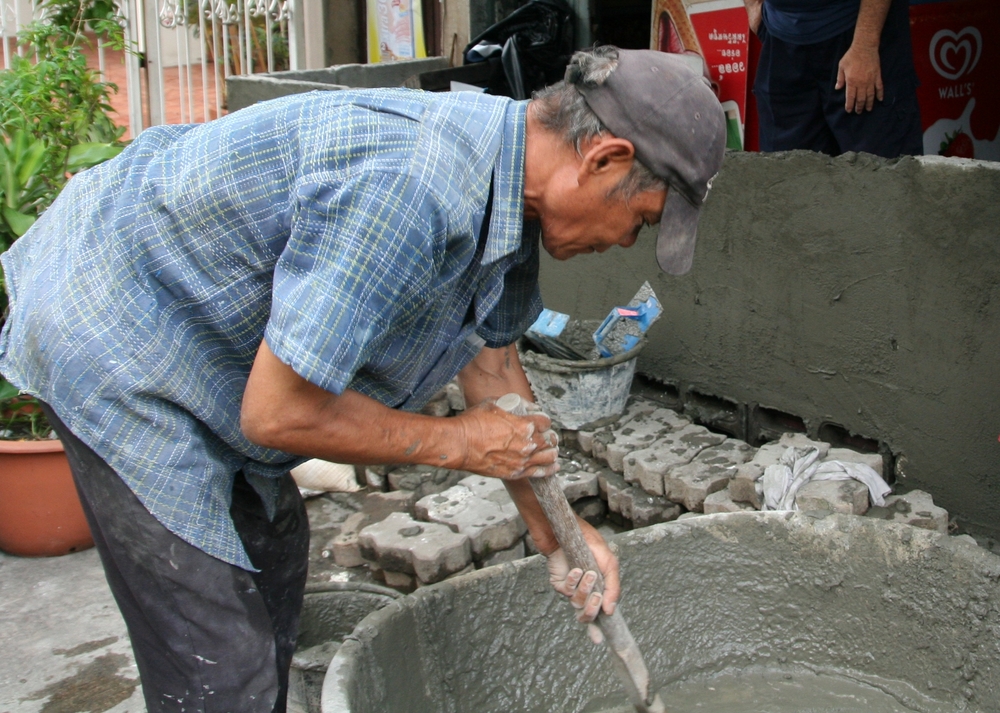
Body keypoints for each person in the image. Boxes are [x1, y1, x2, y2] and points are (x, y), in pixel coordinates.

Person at [0, 46, 725, 712]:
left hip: (210, 337)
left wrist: (561, 535)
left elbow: (496, 374)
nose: (625, 242)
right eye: (639, 221)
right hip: (117, 325)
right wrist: (459, 445)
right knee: (220, 659)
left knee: (275, 564)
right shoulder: (411, 189)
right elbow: (278, 413)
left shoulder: (510, 185)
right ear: (603, 159)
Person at [744, 0, 922, 157]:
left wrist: (865, 45)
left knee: (879, 175)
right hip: (781, 38)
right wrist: (752, 6)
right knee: (787, 177)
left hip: (857, 34)